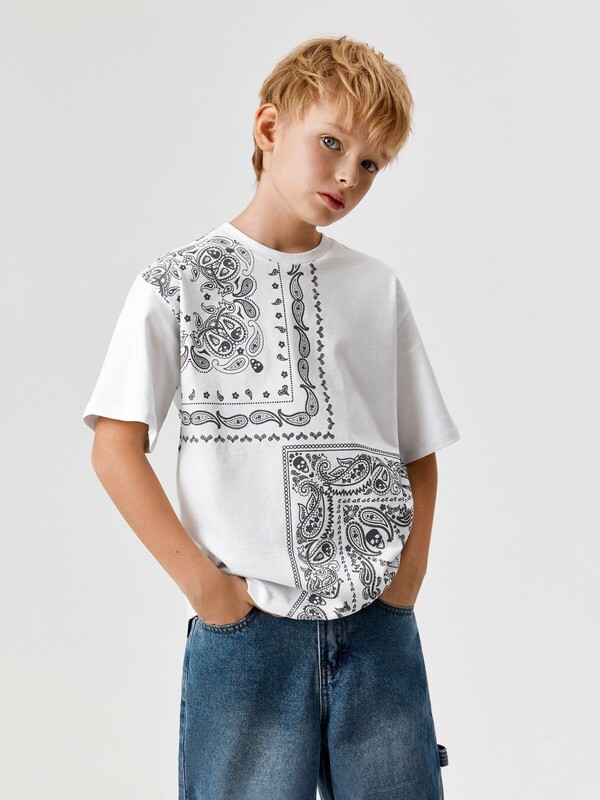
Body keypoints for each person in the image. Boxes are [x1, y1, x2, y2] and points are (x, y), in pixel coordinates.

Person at [82, 34, 459, 800]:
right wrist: (210, 595)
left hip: (377, 626)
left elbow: (417, 448)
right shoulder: (177, 283)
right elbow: (115, 448)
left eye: (372, 163)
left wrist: (406, 579)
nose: (349, 175)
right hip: (246, 634)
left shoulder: (375, 288)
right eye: (333, 143)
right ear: (267, 129)